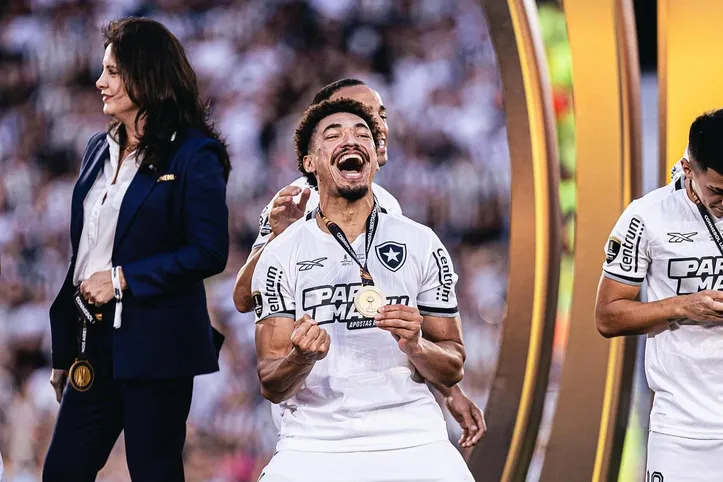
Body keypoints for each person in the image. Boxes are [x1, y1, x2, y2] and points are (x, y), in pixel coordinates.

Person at [233, 78, 486, 448]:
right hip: (315, 414)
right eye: (358, 115)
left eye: (377, 115)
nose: (377, 123)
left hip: (385, 410)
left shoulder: (391, 208)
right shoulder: (293, 199)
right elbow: (244, 298)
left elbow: (410, 318)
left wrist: (450, 392)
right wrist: (275, 237)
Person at [42, 17, 229, 482]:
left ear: (145, 75)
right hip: (93, 343)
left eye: (112, 71)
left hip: (157, 343)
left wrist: (122, 279)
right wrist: (64, 344)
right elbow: (85, 252)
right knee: (62, 472)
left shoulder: (193, 153)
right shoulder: (95, 148)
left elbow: (209, 251)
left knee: (154, 473)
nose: (100, 82)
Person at [595, 109, 723, 481]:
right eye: (716, 191)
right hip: (682, 429)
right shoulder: (647, 216)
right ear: (688, 169)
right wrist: (685, 306)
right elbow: (607, 317)